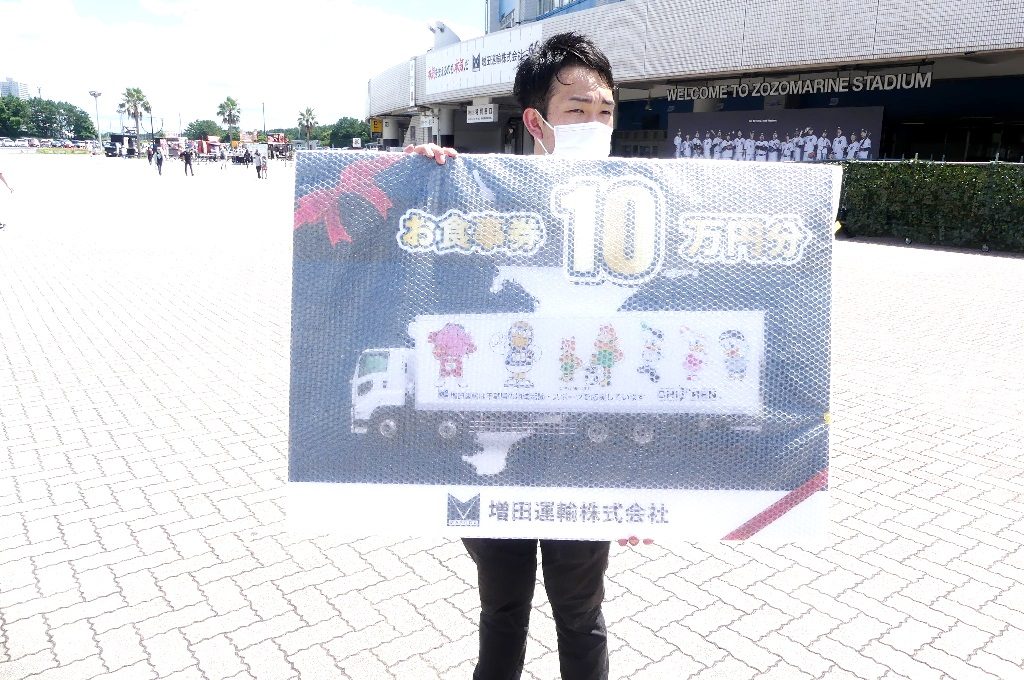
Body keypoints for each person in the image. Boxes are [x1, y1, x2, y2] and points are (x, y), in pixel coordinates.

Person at [407, 32, 614, 680]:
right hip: (492, 447)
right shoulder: (479, 198)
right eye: (577, 110)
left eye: (606, 111)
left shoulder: (635, 209)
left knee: (581, 615)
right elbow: (422, 282)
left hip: (583, 454)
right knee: (502, 612)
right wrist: (421, 181)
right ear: (536, 121)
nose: (595, 123)